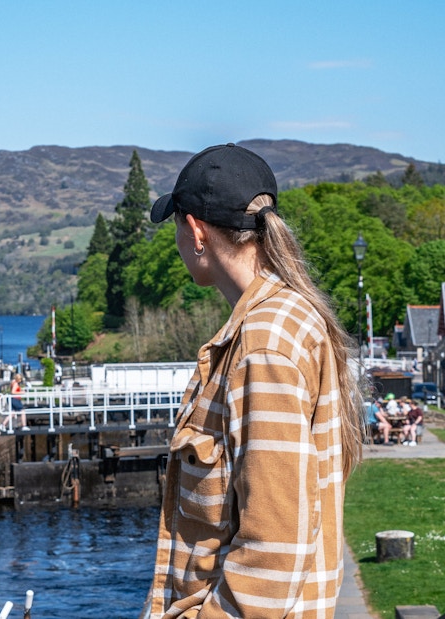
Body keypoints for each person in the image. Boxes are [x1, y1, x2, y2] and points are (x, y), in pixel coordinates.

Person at [146, 143, 364, 618]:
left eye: (177, 228)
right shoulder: (286, 319)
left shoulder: (264, 341)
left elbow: (274, 547)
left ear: (196, 231)